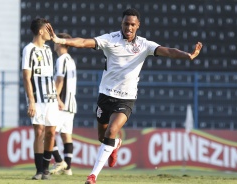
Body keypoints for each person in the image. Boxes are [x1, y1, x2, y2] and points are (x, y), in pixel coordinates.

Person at [46, 8, 203, 184]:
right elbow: (83, 41)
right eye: (126, 23)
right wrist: (60, 39)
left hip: (126, 98)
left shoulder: (144, 45)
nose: (129, 27)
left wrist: (187, 55)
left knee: (112, 130)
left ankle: (92, 176)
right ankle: (116, 145)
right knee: (103, 137)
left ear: (138, 26)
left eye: (132, 24)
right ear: (122, 23)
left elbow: (168, 51)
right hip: (105, 95)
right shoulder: (110, 39)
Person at [22, 17, 64, 180]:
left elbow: (51, 77)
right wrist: (31, 100)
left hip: (51, 98)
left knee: (51, 133)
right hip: (37, 99)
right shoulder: (29, 49)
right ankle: (39, 170)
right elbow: (27, 77)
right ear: (41, 31)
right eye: (47, 30)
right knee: (39, 132)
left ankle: (46, 169)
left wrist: (57, 97)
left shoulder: (47, 50)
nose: (49, 32)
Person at [49, 33, 77, 176]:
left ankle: (60, 161)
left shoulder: (61, 60)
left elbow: (60, 81)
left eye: (55, 41)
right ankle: (68, 169)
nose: (53, 43)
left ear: (60, 43)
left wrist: (57, 99)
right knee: (66, 135)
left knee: (50, 132)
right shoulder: (70, 60)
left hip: (61, 103)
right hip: (71, 104)